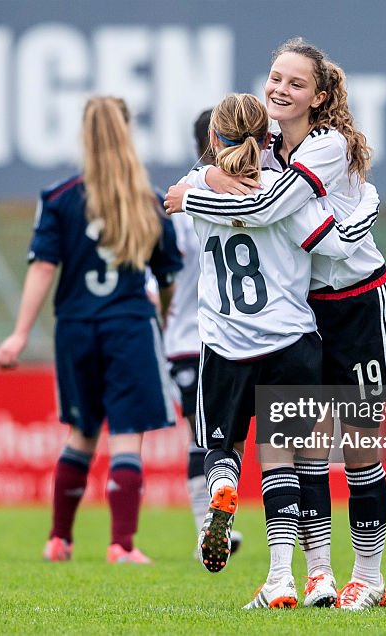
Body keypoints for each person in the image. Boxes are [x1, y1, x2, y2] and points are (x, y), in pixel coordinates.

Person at [166, 37, 386, 610]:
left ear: (320, 95)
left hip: (358, 302)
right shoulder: (268, 144)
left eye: (296, 82)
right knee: (305, 449)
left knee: (357, 449)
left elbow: (265, 208)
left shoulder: (327, 145)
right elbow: (231, 189)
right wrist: (207, 183)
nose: (280, 88)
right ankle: (313, 577)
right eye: (276, 78)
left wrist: (198, 190)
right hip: (307, 310)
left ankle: (369, 577)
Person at [184, 92, 380, 610]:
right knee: (286, 463)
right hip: (290, 340)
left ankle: (229, 499)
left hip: (225, 343)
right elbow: (336, 245)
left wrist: (203, 179)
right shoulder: (285, 193)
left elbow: (185, 190)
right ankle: (294, 577)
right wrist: (369, 201)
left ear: (212, 139)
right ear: (268, 138)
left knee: (221, 449)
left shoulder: (196, 191)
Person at [0, 96, 183, 565]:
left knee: (81, 433)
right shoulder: (147, 200)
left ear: (84, 135)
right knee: (126, 435)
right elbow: (168, 275)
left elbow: (43, 268)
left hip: (76, 329)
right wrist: (161, 317)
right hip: (129, 327)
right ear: (126, 133)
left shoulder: (59, 198)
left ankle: (59, 539)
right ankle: (121, 545)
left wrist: (19, 333)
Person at [163, 108, 243, 558]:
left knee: (206, 435)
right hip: (242, 337)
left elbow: (161, 277)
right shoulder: (263, 190)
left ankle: (209, 529)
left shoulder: (177, 201)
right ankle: (214, 531)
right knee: (267, 441)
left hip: (189, 339)